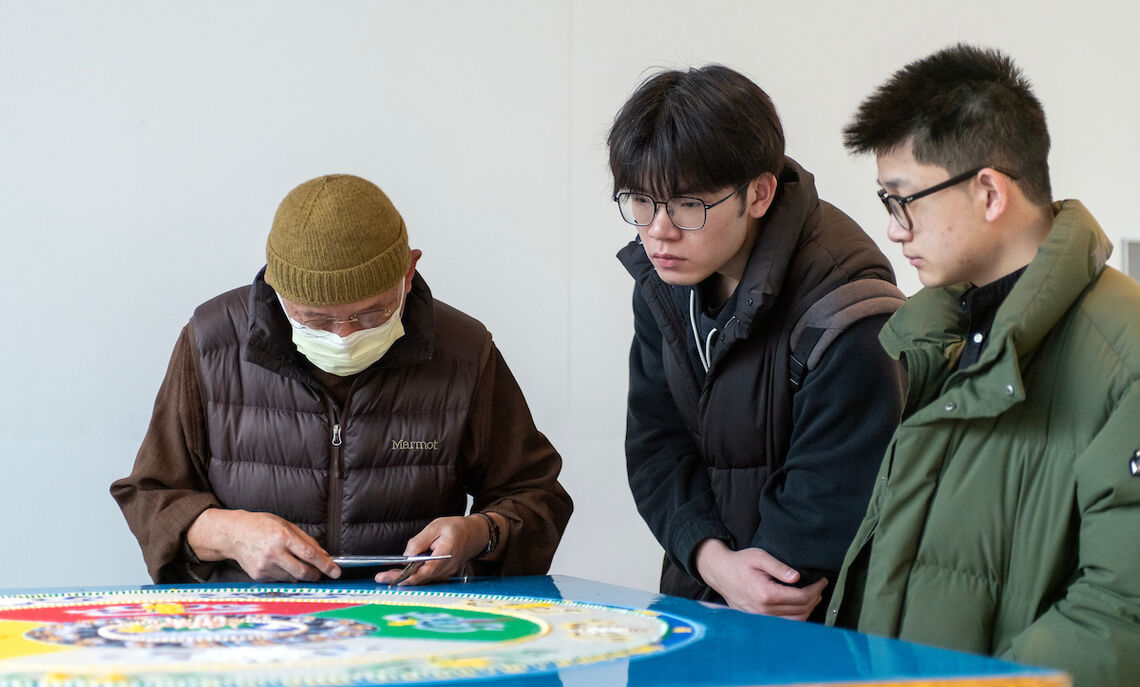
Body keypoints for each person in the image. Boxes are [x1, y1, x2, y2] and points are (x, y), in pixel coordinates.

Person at [825, 44, 1140, 685]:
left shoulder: (1124, 352)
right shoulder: (941, 336)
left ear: (989, 192)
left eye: (903, 200)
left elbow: (1120, 611)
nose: (895, 229)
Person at [111, 173, 573, 585]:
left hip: (412, 627)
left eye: (372, 313)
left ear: (408, 272)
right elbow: (150, 496)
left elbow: (536, 495)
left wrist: (479, 533)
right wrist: (227, 534)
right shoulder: (212, 343)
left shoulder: (463, 352)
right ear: (275, 287)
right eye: (315, 319)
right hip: (250, 628)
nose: (345, 336)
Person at [608, 64, 906, 622]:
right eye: (641, 201)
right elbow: (654, 446)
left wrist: (743, 584)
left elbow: (824, 507)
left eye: (688, 205)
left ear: (760, 193)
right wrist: (712, 560)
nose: (658, 230)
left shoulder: (847, 308)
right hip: (701, 596)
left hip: (812, 621)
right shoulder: (666, 278)